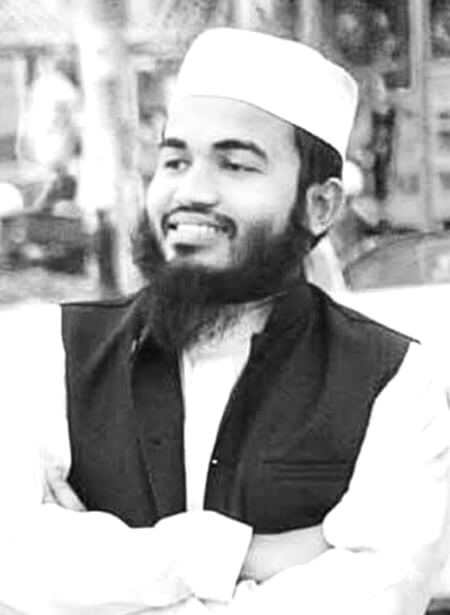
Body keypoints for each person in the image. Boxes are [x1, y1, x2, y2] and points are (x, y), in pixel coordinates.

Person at [0, 28, 449, 615]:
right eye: (174, 160)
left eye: (236, 165)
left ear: (320, 205)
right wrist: (240, 557)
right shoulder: (48, 350)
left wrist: (99, 575)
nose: (192, 191)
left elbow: (374, 597)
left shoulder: (394, 381)